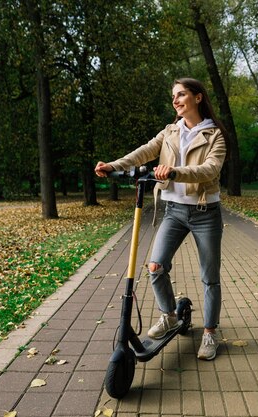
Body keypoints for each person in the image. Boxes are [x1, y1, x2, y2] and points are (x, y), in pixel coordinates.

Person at [94, 78, 227, 361]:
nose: (176, 100)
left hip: (206, 214)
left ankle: (210, 333)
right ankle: (168, 316)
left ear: (198, 98)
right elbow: (144, 151)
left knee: (209, 278)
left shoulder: (215, 135)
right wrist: (113, 165)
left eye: (181, 95)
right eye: (173, 96)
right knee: (155, 266)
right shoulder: (170, 131)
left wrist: (175, 172)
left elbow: (210, 169)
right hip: (174, 212)